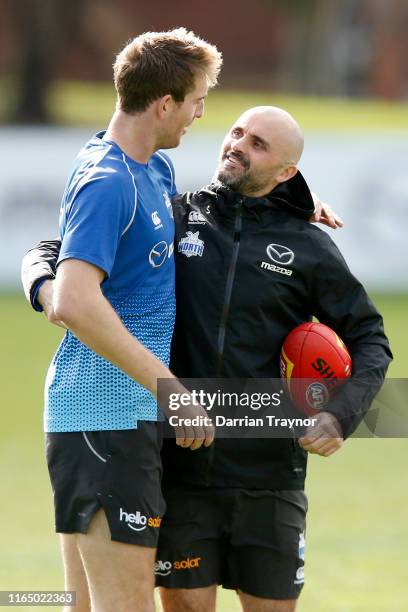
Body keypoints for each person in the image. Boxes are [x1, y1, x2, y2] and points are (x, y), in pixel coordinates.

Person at [21, 107, 387, 612]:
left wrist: (340, 415)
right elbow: (52, 250)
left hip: (271, 474)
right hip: (183, 469)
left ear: (287, 172)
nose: (237, 144)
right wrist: (44, 289)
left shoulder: (310, 248)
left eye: (258, 143)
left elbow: (370, 337)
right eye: (237, 132)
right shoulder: (174, 217)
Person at [20, 28, 222, 612]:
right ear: (165, 104)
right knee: (126, 603)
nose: (199, 113)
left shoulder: (151, 168)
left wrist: (287, 207)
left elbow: (58, 262)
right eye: (197, 100)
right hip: (103, 417)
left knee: (83, 604)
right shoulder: (109, 181)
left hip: (114, 417)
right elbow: (77, 301)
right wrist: (172, 392)